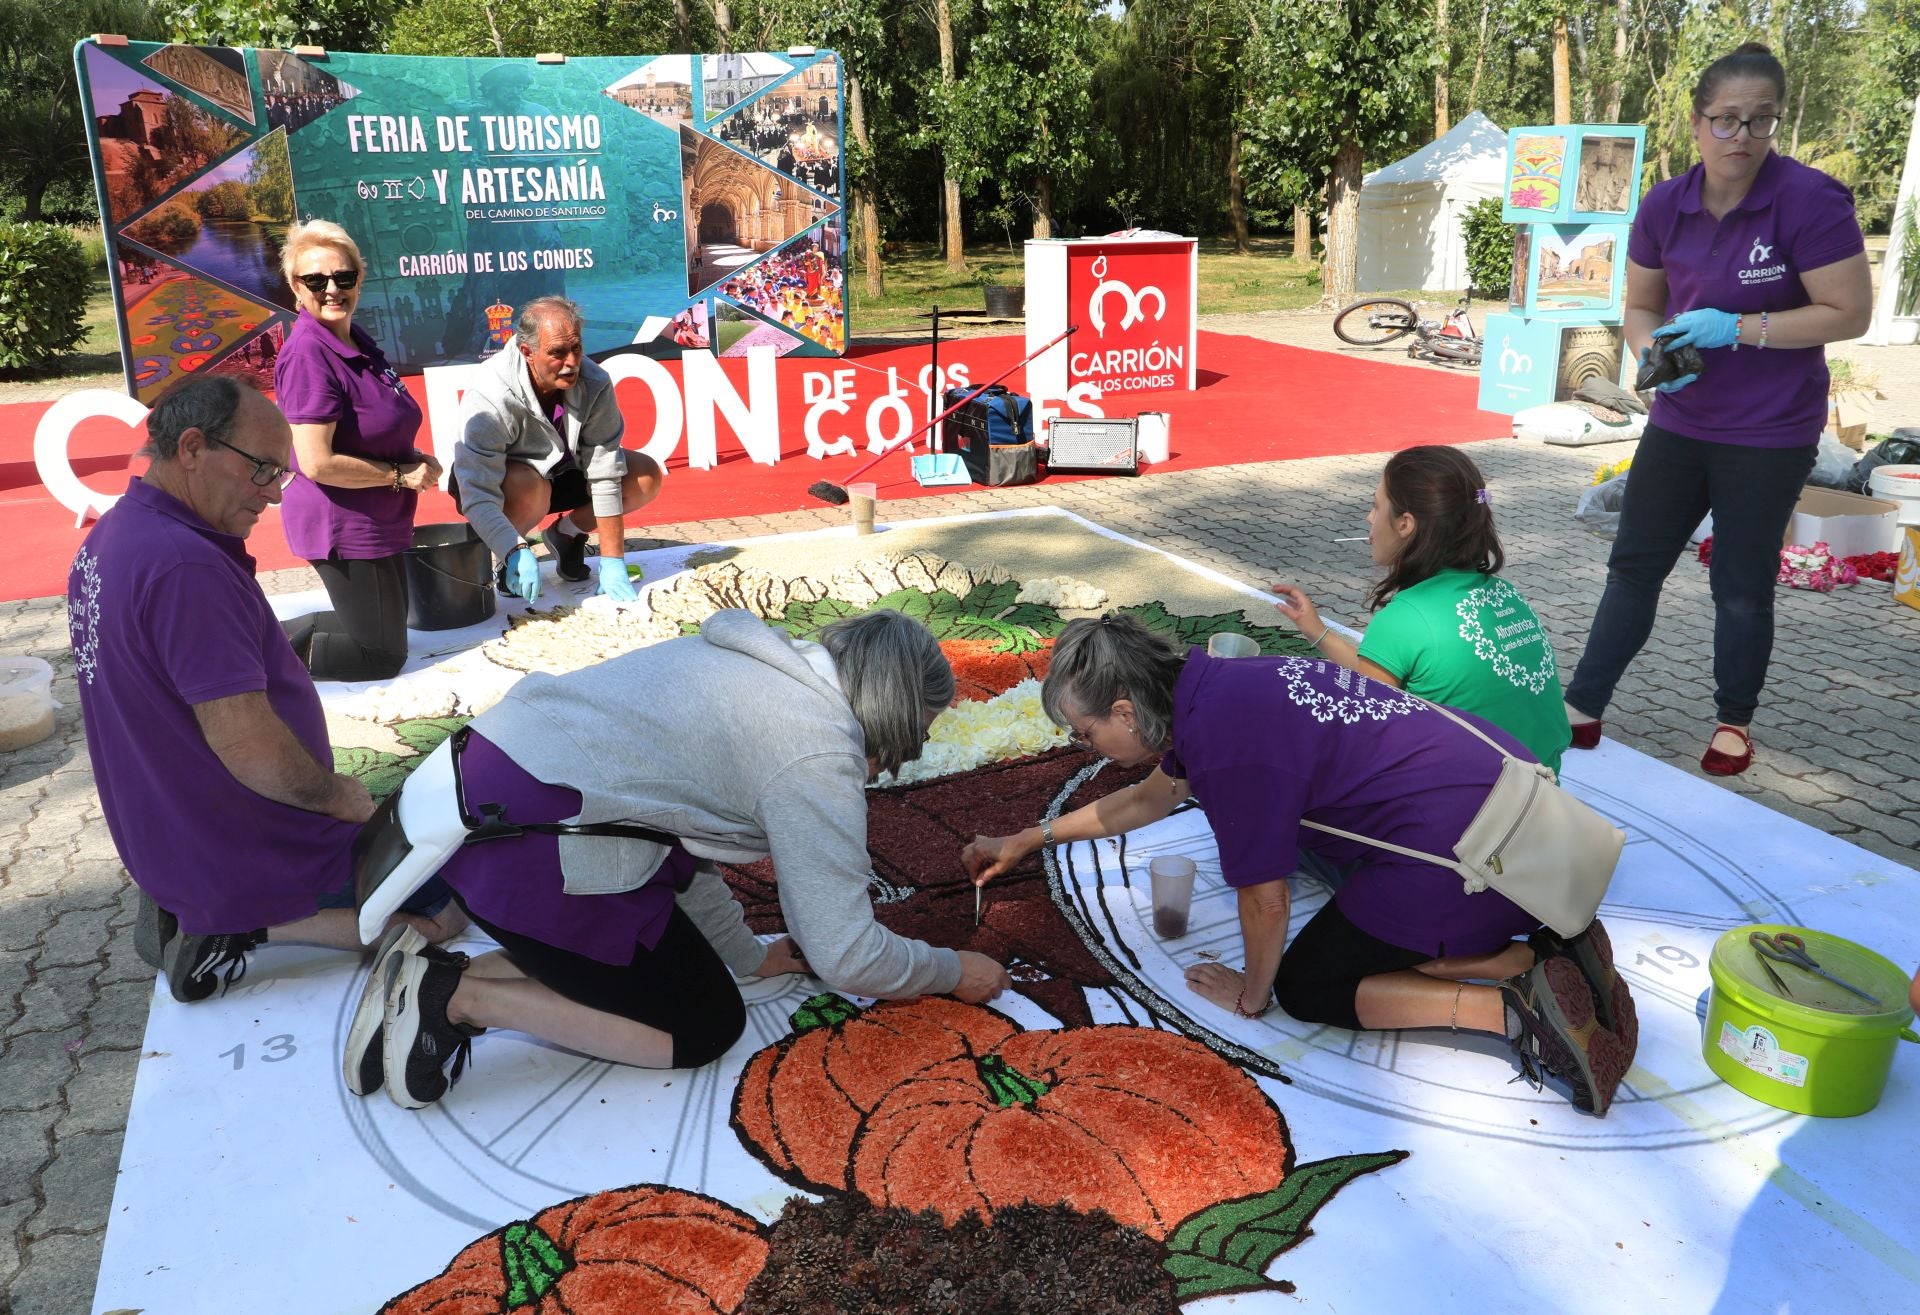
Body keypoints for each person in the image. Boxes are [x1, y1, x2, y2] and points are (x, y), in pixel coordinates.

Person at [961, 616, 1637, 1116]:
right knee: (1331, 864)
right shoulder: (1220, 684)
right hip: (1528, 824)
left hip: (1472, 862)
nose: (1090, 749)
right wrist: (1031, 836)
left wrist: (1255, 994)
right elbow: (1147, 797)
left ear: (1125, 710)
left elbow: (1266, 899)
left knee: (1310, 984)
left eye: (1086, 733)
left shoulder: (1224, 744)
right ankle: (1538, 953)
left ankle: (1517, 1007)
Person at [351, 607, 1013, 1108]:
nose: (908, 755)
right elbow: (844, 952)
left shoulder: (763, 665)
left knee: (674, 967)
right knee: (702, 1024)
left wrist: (748, 954)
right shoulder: (814, 746)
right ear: (893, 718)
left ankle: (419, 971)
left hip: (483, 806)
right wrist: (950, 969)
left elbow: (684, 839)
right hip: (530, 855)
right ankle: (457, 996)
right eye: (913, 736)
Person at [65, 377, 463, 1007]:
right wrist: (339, 798)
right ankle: (233, 927)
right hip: (243, 836)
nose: (274, 495)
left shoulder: (115, 532)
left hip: (167, 828)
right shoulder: (184, 565)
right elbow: (249, 746)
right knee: (446, 907)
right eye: (262, 471)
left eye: (281, 474)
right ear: (192, 447)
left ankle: (193, 904)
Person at [1562, 42, 1872, 777]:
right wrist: (1651, 356)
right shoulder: (1666, 203)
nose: (1742, 139)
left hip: (1769, 432)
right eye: (1726, 121)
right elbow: (1641, 304)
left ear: (1776, 123)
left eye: (1760, 122)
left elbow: (1849, 311)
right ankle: (1582, 703)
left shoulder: (1809, 200)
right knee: (1634, 566)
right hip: (1681, 422)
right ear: (1697, 123)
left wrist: (1738, 327)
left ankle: (1734, 720)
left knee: (1739, 581)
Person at [1270, 445, 1571, 774]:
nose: (1369, 518)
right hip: (1540, 796)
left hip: (1471, 809)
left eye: (1376, 506)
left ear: (1405, 524)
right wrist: (1317, 630)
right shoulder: (1505, 593)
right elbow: (1377, 674)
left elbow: (1364, 717)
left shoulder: (1406, 617)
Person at [275, 219, 440, 681]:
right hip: (341, 524)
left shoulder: (354, 339)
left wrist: (413, 459)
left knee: (387, 635)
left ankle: (259, 635)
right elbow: (317, 462)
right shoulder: (309, 353)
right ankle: (254, 659)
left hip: (377, 513)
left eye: (343, 277)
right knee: (381, 657)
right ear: (295, 287)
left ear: (358, 280)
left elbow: (375, 421)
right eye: (316, 280)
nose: (332, 289)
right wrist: (399, 474)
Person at [451, 296, 664, 605]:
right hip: (511, 486)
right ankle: (507, 562)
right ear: (527, 351)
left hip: (563, 472)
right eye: (557, 353)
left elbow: (605, 473)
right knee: (530, 487)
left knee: (644, 476)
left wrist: (613, 559)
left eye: (576, 348)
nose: (571, 362)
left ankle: (565, 534)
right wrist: (512, 549)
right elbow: (477, 493)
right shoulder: (491, 393)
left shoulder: (595, 382)